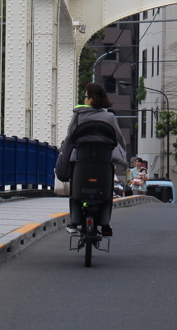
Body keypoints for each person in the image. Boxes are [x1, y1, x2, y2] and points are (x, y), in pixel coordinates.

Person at [55, 82, 128, 237]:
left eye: (86, 96)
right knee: (107, 194)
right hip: (103, 166)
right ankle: (106, 224)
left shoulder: (78, 115)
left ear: (90, 99)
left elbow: (70, 137)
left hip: (81, 164)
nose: (85, 99)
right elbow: (119, 139)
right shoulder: (109, 117)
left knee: (75, 193)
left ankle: (74, 223)